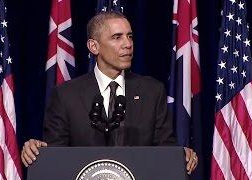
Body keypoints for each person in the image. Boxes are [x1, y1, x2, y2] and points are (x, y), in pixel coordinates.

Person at [21, 11, 198, 174]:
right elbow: (56, 158)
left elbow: (165, 151)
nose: (128, 44)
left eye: (130, 37)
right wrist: (37, 150)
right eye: (117, 37)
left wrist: (181, 156)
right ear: (93, 46)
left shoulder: (152, 91)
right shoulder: (66, 95)